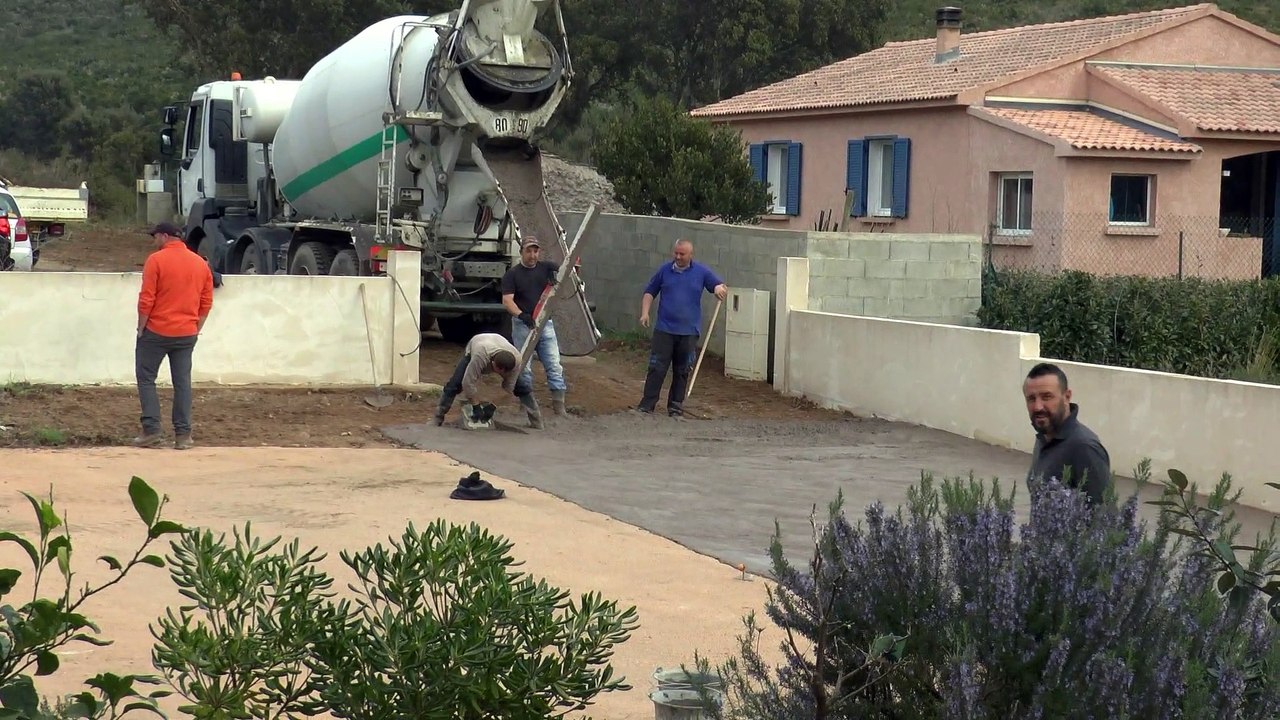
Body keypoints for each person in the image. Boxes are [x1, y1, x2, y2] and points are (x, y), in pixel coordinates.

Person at [134, 221, 215, 449]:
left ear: (163, 236)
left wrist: (142, 327)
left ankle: (151, 431)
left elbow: (147, 298)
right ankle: (183, 436)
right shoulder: (200, 264)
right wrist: (195, 327)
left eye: (155, 237)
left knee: (146, 377)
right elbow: (206, 302)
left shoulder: (156, 260)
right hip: (187, 333)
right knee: (182, 383)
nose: (154, 241)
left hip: (157, 331)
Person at [636, 239, 728, 417]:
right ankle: (647, 405)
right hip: (664, 330)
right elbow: (649, 292)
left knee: (682, 370)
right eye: (676, 253)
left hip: (688, 332)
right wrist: (645, 313)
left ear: (690, 255)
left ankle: (675, 407)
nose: (677, 257)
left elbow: (718, 285)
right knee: (657, 367)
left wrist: (719, 288)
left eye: (682, 254)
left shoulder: (701, 272)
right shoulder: (664, 271)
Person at [1023, 362, 1112, 504]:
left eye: (1047, 397)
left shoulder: (1084, 447)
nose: (1038, 406)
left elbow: (1104, 517)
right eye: (1031, 399)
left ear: (1067, 396)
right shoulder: (1044, 437)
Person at [499, 234, 568, 416]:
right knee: (524, 367)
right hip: (523, 325)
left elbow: (570, 272)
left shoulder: (547, 268)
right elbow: (507, 301)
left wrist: (557, 277)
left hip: (545, 323)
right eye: (528, 251)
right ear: (522, 252)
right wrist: (522, 315)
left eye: (535, 251)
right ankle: (526, 406)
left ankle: (559, 407)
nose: (532, 255)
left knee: (554, 364)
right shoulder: (512, 275)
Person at [434, 332, 544, 429]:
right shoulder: (479, 356)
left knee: (521, 387)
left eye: (505, 373)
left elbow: (508, 388)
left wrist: (493, 406)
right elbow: (467, 383)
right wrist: (476, 406)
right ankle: (437, 418)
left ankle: (536, 420)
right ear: (493, 365)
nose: (502, 374)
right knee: (455, 384)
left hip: (498, 342)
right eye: (500, 371)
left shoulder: (517, 360)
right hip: (479, 343)